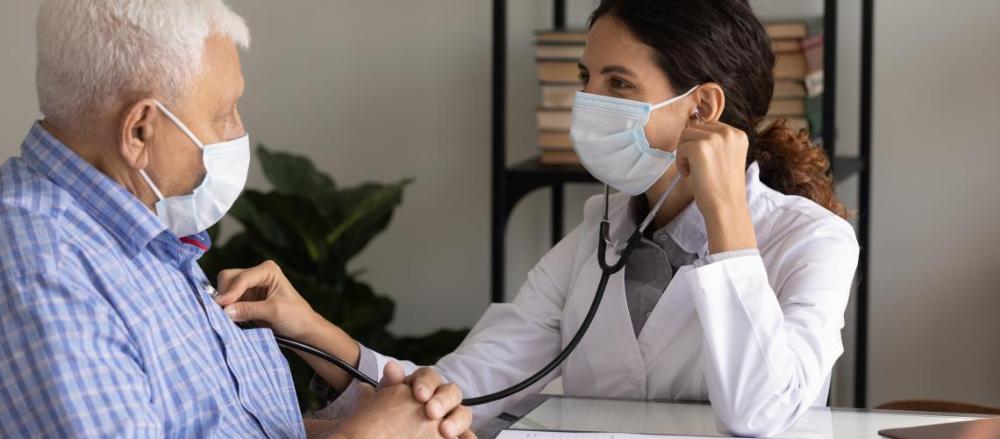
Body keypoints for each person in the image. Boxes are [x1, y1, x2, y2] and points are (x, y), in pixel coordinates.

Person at [214, 0, 860, 437]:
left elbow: (765, 414)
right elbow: (456, 391)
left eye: (618, 83)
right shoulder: (595, 239)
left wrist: (727, 221)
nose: (587, 102)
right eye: (586, 77)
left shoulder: (812, 242)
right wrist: (310, 329)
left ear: (702, 109)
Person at [0, 1, 473, 438]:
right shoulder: (43, 270)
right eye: (224, 113)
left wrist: (401, 422)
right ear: (140, 130)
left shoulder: (139, 229)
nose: (240, 132)